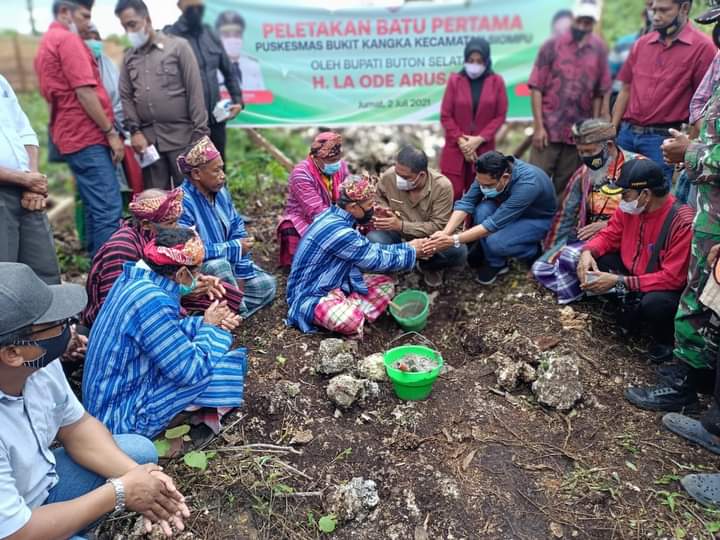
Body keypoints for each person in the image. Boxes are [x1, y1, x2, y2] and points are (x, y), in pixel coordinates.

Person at [0, 262, 190, 540]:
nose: (70, 327)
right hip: (15, 529)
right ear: (13, 352)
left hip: (38, 489)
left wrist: (138, 478)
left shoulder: (37, 363)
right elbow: (17, 532)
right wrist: (121, 492)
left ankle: (68, 522)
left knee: (137, 451)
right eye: (56, 324)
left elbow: (76, 427)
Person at [625, 6, 720, 412]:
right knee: (702, 293)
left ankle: (687, 387)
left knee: (699, 294)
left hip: (713, 209)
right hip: (709, 197)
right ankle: (696, 380)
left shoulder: (698, 49)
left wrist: (691, 151)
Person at [83, 227, 246, 439]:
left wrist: (203, 323)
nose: (199, 278)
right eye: (196, 272)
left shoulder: (134, 278)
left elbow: (161, 333)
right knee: (224, 370)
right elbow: (189, 371)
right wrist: (210, 329)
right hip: (119, 420)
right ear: (180, 273)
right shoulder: (153, 299)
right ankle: (171, 434)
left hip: (101, 406)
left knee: (212, 348)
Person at [572, 160, 692, 357]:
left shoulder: (682, 222)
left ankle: (664, 341)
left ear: (645, 194)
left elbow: (672, 279)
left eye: (624, 194)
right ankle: (627, 312)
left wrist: (620, 282)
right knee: (599, 263)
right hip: (633, 278)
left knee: (656, 304)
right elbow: (609, 236)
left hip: (662, 289)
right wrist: (588, 252)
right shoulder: (631, 208)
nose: (621, 200)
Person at [286, 175, 428, 337]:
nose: (372, 208)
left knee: (385, 285)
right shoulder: (340, 232)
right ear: (353, 207)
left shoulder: (333, 215)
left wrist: (407, 247)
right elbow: (374, 258)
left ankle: (346, 306)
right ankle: (346, 313)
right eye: (369, 205)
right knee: (351, 320)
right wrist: (412, 251)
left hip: (336, 282)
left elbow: (368, 249)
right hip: (311, 294)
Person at [34, 0, 123, 257]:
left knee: (97, 207)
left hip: (71, 137)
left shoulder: (47, 44)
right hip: (87, 136)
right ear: (65, 12)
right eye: (84, 16)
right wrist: (110, 132)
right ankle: (109, 277)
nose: (87, 23)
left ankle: (97, 269)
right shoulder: (67, 40)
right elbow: (85, 92)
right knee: (108, 207)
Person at [82, 188, 244, 327]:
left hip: (157, 297)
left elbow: (165, 273)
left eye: (177, 222)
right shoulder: (122, 248)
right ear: (146, 224)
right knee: (209, 320)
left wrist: (195, 280)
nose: (177, 228)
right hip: (116, 320)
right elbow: (118, 306)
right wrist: (182, 292)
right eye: (170, 223)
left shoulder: (153, 237)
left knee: (220, 295)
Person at [532, 119, 641, 302]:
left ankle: (603, 287)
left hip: (626, 237)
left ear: (608, 145)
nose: (585, 157)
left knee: (572, 257)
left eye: (590, 151)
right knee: (540, 268)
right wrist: (551, 251)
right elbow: (566, 213)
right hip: (589, 239)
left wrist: (607, 224)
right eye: (581, 152)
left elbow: (652, 213)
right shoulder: (584, 172)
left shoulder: (637, 167)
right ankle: (591, 288)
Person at [612, 0, 716, 186]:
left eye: (664, 10)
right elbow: (626, 88)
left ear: (684, 8)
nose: (656, 16)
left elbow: (702, 104)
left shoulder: (703, 47)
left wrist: (688, 147)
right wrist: (613, 130)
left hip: (662, 140)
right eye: (653, 10)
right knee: (620, 193)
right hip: (627, 135)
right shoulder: (642, 44)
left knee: (655, 199)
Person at [178, 137, 277, 318]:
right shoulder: (181, 202)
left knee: (267, 285)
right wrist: (235, 248)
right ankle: (223, 313)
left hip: (229, 268)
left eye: (222, 168)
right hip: (200, 274)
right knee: (219, 266)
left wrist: (241, 276)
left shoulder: (221, 192)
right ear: (197, 174)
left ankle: (230, 311)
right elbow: (188, 253)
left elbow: (237, 229)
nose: (222, 175)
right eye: (216, 171)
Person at [116, 0, 209, 190]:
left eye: (132, 24)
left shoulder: (178, 48)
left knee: (191, 197)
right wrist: (135, 132)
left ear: (147, 19)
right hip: (149, 143)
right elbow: (125, 97)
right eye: (125, 27)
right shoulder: (129, 58)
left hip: (182, 138)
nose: (129, 32)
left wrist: (200, 137)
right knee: (158, 204)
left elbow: (195, 92)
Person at [427, 151, 556, 285]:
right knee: (482, 210)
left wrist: (453, 240)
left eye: (488, 186)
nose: (482, 188)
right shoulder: (487, 173)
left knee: (496, 243)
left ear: (505, 177)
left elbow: (492, 225)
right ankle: (496, 263)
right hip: (507, 211)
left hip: (536, 219)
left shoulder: (528, 185)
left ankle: (532, 252)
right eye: (480, 183)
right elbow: (467, 202)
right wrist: (445, 233)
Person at [528, 2, 612, 194]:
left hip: (577, 133)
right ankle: (531, 223)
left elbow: (601, 90)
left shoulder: (599, 49)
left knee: (566, 186)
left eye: (588, 22)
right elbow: (536, 87)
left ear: (593, 23)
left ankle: (556, 224)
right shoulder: (551, 45)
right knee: (535, 181)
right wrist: (539, 127)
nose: (583, 26)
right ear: (573, 19)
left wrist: (593, 128)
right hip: (549, 128)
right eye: (580, 21)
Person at [370, 146, 467, 288]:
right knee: (373, 239)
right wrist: (384, 210)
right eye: (397, 174)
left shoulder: (442, 187)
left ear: (421, 175)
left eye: (405, 178)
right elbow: (379, 197)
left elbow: (439, 225)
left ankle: (429, 266)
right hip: (397, 235)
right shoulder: (390, 176)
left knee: (458, 250)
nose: (399, 180)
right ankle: (395, 264)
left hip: (429, 238)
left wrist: (401, 225)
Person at [0, 74, 61, 285]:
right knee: (5, 280)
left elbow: (24, 131)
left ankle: (51, 319)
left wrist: (31, 179)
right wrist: (22, 179)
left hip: (27, 193)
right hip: (6, 191)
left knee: (44, 274)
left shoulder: (1, 81)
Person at [165, 0, 243, 162]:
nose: (195, 8)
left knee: (218, 169)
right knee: (192, 170)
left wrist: (238, 100)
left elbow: (229, 72)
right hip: (187, 123)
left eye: (198, 5)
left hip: (216, 119)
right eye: (190, 5)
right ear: (179, 5)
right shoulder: (170, 37)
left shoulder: (210, 35)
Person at [439, 37, 508, 200]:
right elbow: (446, 115)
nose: (474, 64)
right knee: (450, 195)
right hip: (455, 148)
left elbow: (500, 116)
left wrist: (479, 139)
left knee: (479, 197)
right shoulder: (455, 81)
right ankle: (450, 227)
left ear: (487, 60)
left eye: (479, 60)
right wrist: (462, 142)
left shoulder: (496, 81)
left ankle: (474, 227)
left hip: (483, 150)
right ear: (465, 60)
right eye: (471, 60)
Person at [277, 131, 350, 267]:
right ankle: (302, 263)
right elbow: (316, 211)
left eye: (337, 160)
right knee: (290, 227)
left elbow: (349, 190)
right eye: (330, 161)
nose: (336, 164)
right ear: (316, 158)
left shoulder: (341, 166)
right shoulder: (301, 174)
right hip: (307, 217)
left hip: (336, 213)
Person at [608, 0, 653, 110]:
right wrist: (605, 111)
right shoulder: (623, 44)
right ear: (643, 15)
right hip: (618, 101)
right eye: (650, 6)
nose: (655, 13)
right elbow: (608, 79)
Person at [215, 10, 266, 92]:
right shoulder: (212, 67)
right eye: (226, 35)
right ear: (218, 38)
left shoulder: (253, 65)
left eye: (237, 35)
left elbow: (262, 95)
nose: (232, 39)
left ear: (242, 36)